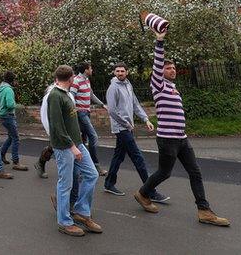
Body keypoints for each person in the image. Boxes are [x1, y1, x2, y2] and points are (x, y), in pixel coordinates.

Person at [134, 30, 230, 227]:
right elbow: (157, 62)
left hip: (182, 139)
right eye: (168, 68)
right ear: (160, 72)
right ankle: (143, 193)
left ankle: (204, 211)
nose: (172, 70)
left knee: (195, 172)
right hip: (167, 139)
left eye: (174, 68)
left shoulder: (172, 88)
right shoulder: (158, 85)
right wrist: (159, 41)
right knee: (164, 173)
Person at [47, 65, 101, 237]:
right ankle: (64, 221)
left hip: (77, 143)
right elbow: (56, 126)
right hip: (65, 147)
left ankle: (80, 211)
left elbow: (67, 119)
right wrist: (72, 147)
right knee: (66, 183)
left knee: (92, 174)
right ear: (70, 78)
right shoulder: (55, 96)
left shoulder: (66, 94)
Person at [103, 62, 166, 203]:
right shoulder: (113, 88)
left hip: (127, 127)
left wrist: (146, 119)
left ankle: (108, 183)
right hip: (121, 128)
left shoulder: (128, 85)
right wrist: (126, 123)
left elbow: (135, 104)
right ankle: (150, 191)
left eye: (122, 71)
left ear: (127, 72)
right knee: (138, 157)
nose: (120, 73)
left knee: (118, 156)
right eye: (117, 71)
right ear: (114, 73)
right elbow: (112, 110)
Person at [71, 63, 107, 176]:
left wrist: (102, 104)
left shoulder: (86, 80)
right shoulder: (76, 81)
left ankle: (81, 167)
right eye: (91, 68)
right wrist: (74, 110)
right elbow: (71, 96)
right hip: (80, 113)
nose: (92, 70)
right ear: (86, 70)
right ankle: (95, 165)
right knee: (93, 136)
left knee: (82, 140)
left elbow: (91, 94)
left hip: (87, 112)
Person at [0, 71, 28, 171]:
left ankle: (1, 155)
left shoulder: (1, 87)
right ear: (12, 80)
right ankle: (16, 162)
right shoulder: (9, 90)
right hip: (8, 116)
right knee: (16, 138)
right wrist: (18, 105)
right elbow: (10, 104)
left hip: (3, 115)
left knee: (11, 137)